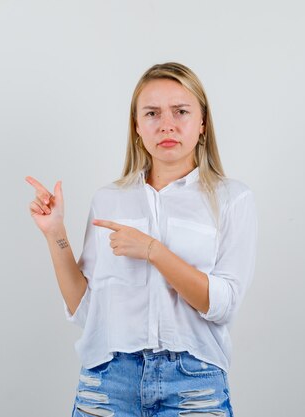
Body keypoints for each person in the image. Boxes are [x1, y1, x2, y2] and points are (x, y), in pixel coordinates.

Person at [25, 62, 257, 417]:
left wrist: (153, 251)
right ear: (137, 126)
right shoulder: (109, 199)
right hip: (108, 381)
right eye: (152, 113)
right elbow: (85, 310)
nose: (166, 124)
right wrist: (55, 233)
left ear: (202, 124)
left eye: (181, 111)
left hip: (192, 383)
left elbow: (222, 305)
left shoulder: (232, 199)